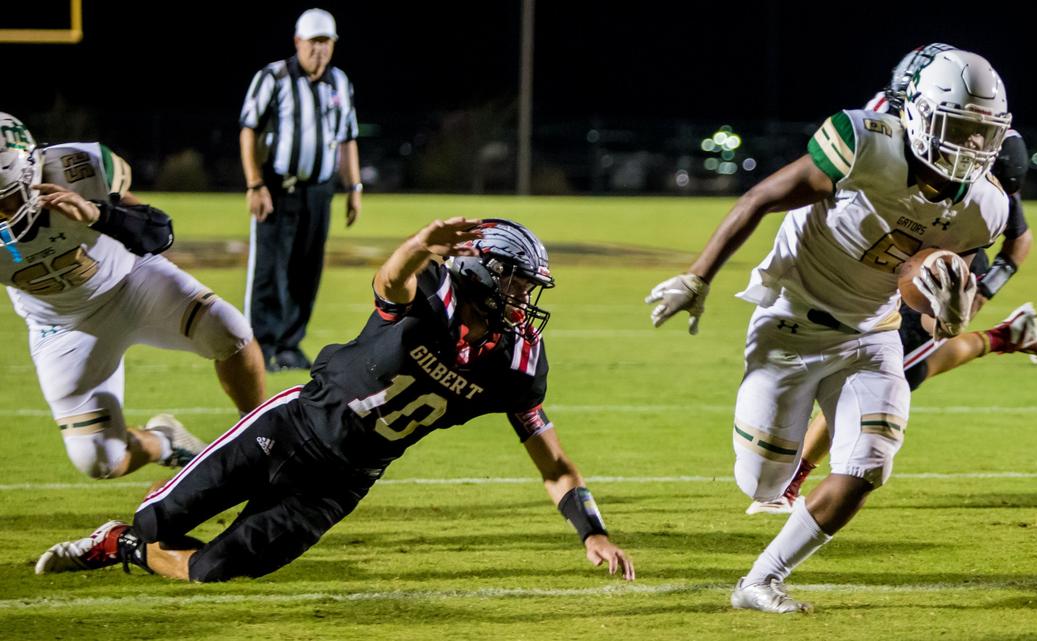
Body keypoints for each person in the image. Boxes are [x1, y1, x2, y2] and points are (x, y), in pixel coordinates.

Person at [35, 217, 636, 584]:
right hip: (294, 425)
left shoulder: (518, 364)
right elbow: (391, 281)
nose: (525, 299)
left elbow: (554, 465)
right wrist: (420, 243)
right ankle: (140, 526)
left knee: (214, 569)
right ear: (481, 272)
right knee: (160, 519)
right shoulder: (433, 294)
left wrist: (592, 532)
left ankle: (123, 547)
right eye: (517, 282)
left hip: (342, 481)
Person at [645, 50, 1010, 612]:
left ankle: (760, 581)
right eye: (957, 127)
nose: (971, 148)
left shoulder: (985, 208)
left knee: (869, 464)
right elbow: (760, 197)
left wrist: (951, 319)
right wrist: (698, 278)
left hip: (872, 334)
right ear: (916, 113)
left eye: (983, 134)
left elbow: (928, 300)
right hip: (789, 323)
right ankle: (770, 483)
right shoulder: (864, 143)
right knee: (761, 484)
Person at [748, 43, 1037, 516]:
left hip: (940, 259)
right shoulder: (882, 128)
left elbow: (1018, 235)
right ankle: (1009, 335)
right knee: (909, 367)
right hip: (882, 258)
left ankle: (794, 478)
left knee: (899, 373)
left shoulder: (974, 143)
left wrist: (980, 289)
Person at [0, 113, 265, 480]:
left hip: (130, 282)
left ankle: (265, 441)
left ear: (30, 174)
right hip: (61, 327)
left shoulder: (79, 168)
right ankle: (164, 442)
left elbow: (160, 234)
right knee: (101, 462)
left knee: (231, 331)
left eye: (6, 199)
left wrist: (98, 216)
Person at [239, 8, 362, 372]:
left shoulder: (340, 82)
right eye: (313, 42)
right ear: (298, 42)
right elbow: (249, 129)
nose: (319, 50)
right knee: (268, 271)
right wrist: (254, 183)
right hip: (278, 188)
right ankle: (260, 346)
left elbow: (348, 137)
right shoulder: (273, 77)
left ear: (333, 45)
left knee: (306, 272)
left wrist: (353, 187)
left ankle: (290, 346)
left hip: (320, 191)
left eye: (326, 42)